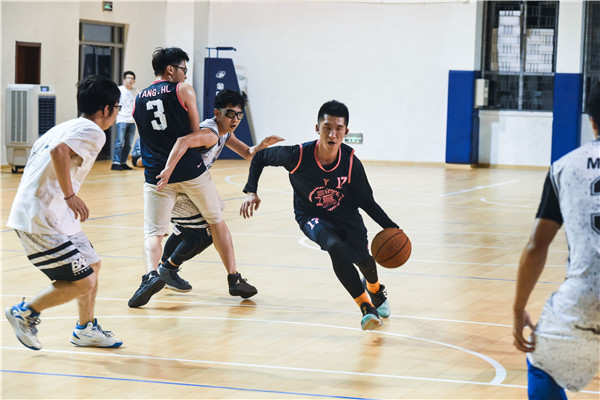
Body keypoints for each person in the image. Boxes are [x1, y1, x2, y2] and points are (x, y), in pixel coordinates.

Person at [239, 100, 399, 330]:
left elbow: (366, 201)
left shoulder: (351, 163)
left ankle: (375, 289)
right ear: (317, 128)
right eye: (327, 127)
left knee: (363, 260)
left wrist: (392, 227)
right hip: (310, 215)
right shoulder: (298, 155)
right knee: (335, 246)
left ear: (346, 132)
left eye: (338, 128)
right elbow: (261, 157)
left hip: (346, 216)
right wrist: (251, 191)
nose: (332, 134)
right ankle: (366, 308)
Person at [5, 75, 123, 350]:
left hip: (54, 213)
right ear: (106, 109)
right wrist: (70, 196)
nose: (117, 113)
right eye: (117, 108)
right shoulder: (94, 131)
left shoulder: (65, 126)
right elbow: (59, 152)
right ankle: (25, 313)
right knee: (84, 281)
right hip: (40, 217)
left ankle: (85, 329)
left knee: (92, 264)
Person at [129, 47, 237, 308]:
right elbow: (193, 131)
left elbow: (144, 137)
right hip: (189, 169)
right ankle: (234, 277)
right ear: (170, 69)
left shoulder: (138, 98)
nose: (185, 75)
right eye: (183, 70)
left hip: (156, 173)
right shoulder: (183, 89)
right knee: (215, 222)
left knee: (153, 233)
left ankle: (151, 274)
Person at [513, 82, 600, 399]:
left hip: (584, 298)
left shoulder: (564, 167)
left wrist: (518, 309)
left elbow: (537, 246)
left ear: (591, 120)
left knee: (542, 365)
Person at [152, 89, 283, 296]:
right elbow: (183, 141)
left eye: (239, 115)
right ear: (217, 113)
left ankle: (166, 268)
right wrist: (168, 170)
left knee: (185, 230)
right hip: (175, 187)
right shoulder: (210, 133)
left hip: (187, 187)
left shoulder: (224, 133)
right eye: (230, 114)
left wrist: (262, 145)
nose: (235, 119)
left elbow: (247, 153)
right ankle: (168, 269)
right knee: (205, 233)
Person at [111, 70, 139, 171]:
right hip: (122, 119)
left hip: (132, 120)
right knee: (119, 142)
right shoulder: (119, 90)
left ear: (134, 81)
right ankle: (116, 162)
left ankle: (123, 162)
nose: (130, 80)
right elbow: (114, 103)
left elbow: (138, 104)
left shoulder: (136, 91)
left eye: (132, 78)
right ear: (124, 79)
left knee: (128, 144)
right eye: (128, 78)